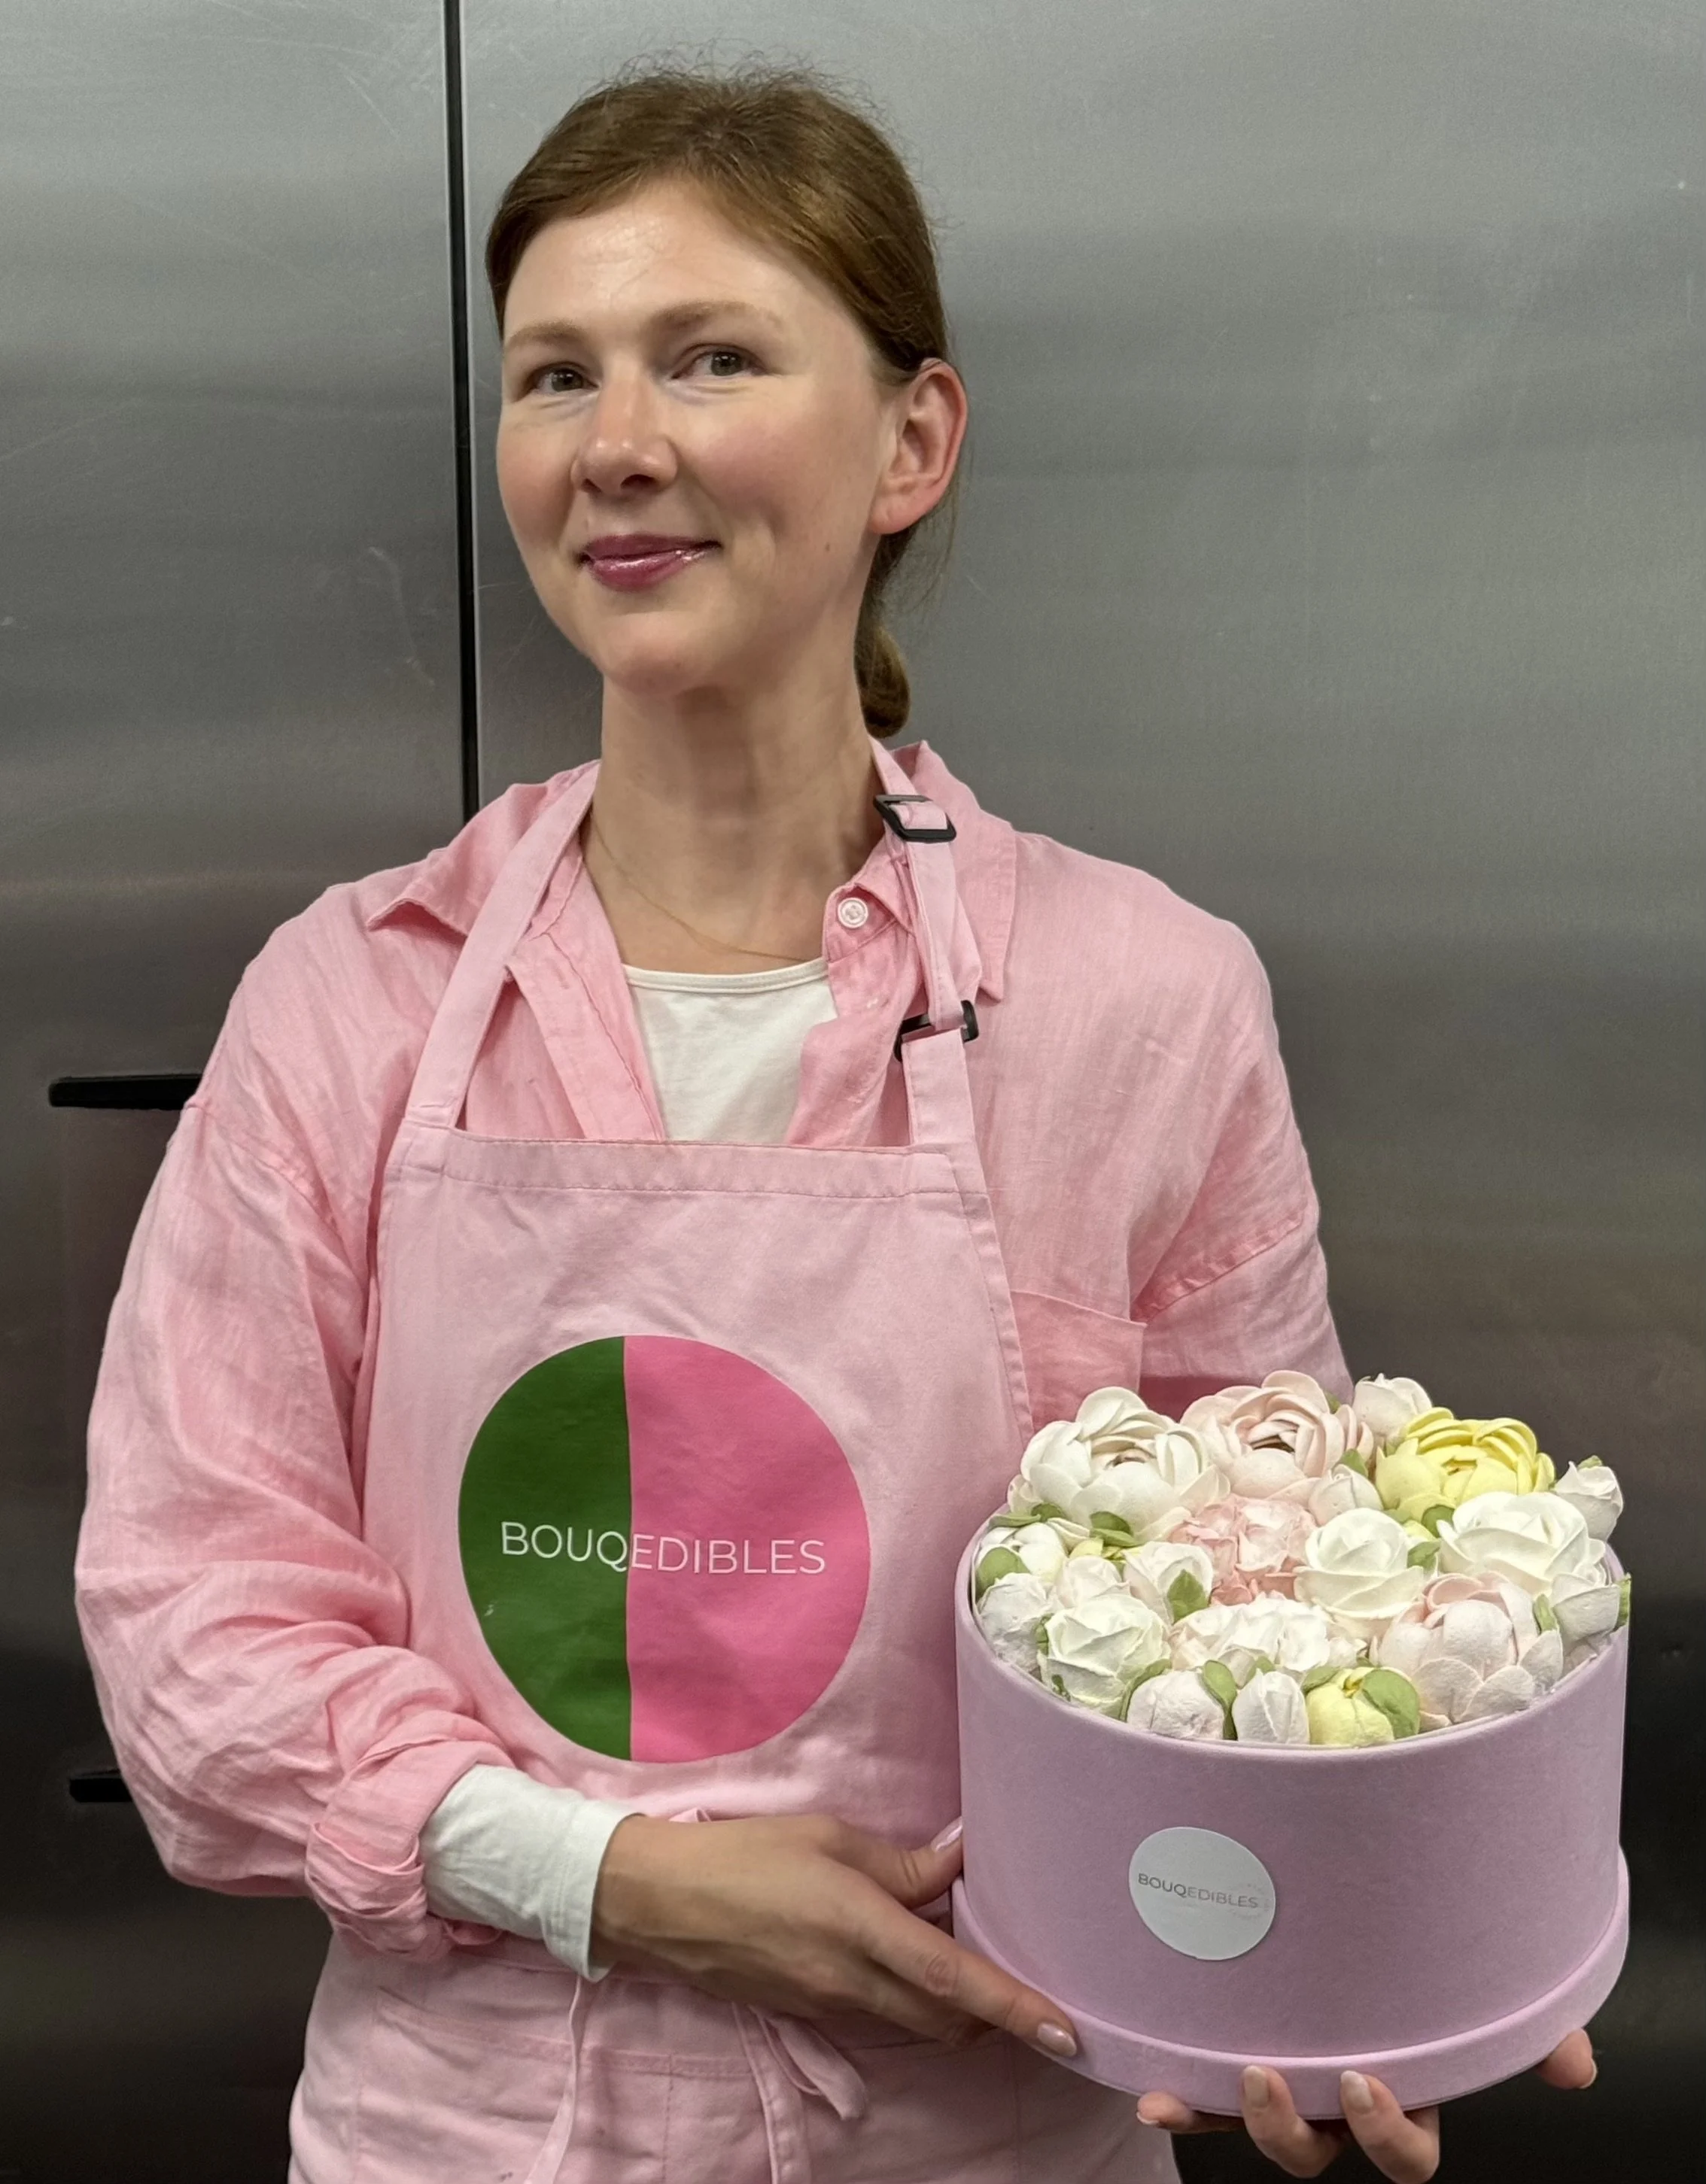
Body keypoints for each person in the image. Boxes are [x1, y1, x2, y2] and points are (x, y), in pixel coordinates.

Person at [75, 64, 1594, 2184]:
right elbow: (189, 1623)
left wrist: (1328, 1936)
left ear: (912, 440)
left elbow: (1262, 1599)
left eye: (713, 356)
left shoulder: (1146, 997)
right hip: (472, 2133)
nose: (620, 444)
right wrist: (624, 1878)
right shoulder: (356, 1000)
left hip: (992, 2128)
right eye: (554, 374)